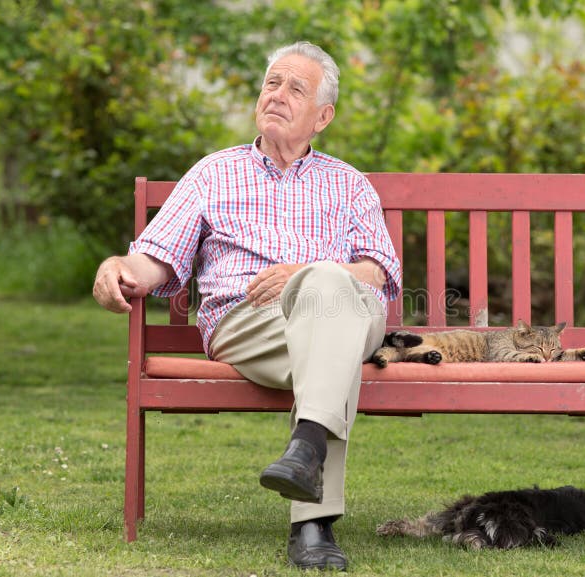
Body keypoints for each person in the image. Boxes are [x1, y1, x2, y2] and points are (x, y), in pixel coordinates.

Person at [92, 41, 401, 571]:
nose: (277, 95)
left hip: (345, 312)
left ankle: (305, 450)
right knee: (335, 348)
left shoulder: (349, 183)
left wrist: (306, 276)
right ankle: (312, 520)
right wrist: (120, 266)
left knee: (329, 293)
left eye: (295, 88)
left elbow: (379, 272)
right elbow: (158, 258)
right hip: (250, 325)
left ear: (323, 116)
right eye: (272, 82)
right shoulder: (214, 173)